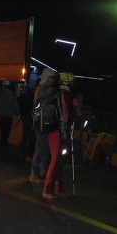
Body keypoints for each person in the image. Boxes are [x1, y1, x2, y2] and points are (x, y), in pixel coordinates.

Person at [43, 72, 80, 201]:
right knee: (56, 160)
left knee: (57, 160)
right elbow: (74, 113)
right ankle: (48, 190)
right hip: (60, 132)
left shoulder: (54, 93)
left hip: (52, 130)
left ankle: (57, 189)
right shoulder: (68, 95)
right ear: (71, 84)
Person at [29, 67, 57, 186]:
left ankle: (40, 172)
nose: (53, 80)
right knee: (40, 149)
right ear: (46, 78)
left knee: (44, 149)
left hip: (44, 123)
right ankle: (34, 174)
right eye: (51, 78)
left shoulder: (43, 89)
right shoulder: (42, 90)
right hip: (40, 124)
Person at [0, 80, 19, 147]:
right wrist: (17, 113)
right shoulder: (11, 94)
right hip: (8, 114)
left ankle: (2, 142)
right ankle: (4, 142)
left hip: (0, 114)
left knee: (2, 129)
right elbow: (14, 104)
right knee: (7, 129)